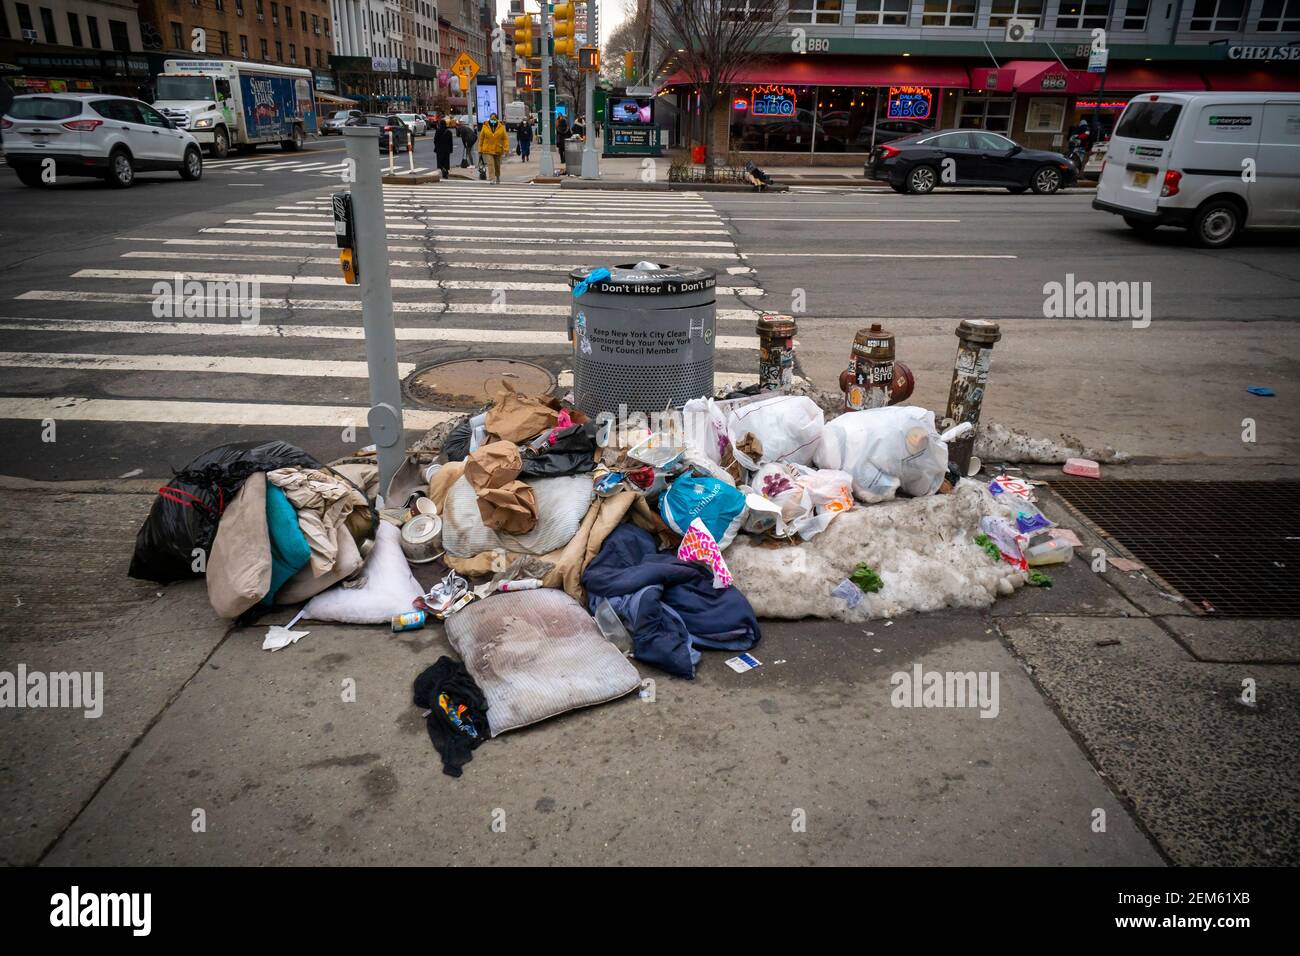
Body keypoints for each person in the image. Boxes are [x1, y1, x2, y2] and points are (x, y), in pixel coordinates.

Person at [478, 112, 509, 184]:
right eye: (491, 119)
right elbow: (481, 138)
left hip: (498, 149)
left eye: (494, 119)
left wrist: (506, 148)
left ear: (497, 120)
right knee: (490, 164)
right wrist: (480, 149)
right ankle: (491, 178)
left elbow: (505, 138)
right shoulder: (485, 126)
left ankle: (497, 176)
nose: (493, 120)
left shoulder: (501, 127)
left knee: (497, 165)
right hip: (488, 149)